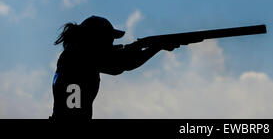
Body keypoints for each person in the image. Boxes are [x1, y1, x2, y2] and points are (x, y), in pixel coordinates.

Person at [50, 15, 180, 119]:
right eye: (109, 39)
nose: (112, 43)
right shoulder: (79, 56)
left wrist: (146, 48)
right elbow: (122, 65)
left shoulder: (74, 55)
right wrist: (157, 47)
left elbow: (119, 62)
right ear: (96, 39)